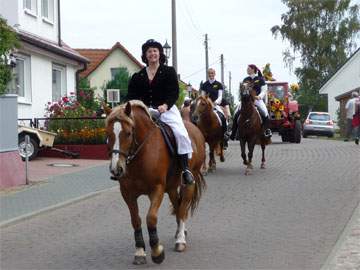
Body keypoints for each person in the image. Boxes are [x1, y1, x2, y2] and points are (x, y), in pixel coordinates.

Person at [126, 39, 194, 185]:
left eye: (155, 51)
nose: (152, 54)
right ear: (145, 55)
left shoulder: (168, 72)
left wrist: (166, 105)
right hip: (144, 112)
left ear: (159, 53)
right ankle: (123, 166)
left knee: (181, 133)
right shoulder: (138, 76)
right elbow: (130, 96)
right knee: (126, 132)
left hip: (166, 110)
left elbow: (174, 92)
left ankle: (185, 170)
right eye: (149, 51)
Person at [230, 64, 272, 139]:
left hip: (257, 100)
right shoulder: (245, 79)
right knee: (236, 113)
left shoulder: (260, 79)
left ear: (253, 69)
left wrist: (259, 97)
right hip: (247, 101)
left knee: (265, 113)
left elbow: (264, 90)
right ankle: (234, 132)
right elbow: (243, 90)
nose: (247, 70)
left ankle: (266, 130)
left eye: (248, 68)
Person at [200, 68, 229, 146]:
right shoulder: (204, 84)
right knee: (199, 117)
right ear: (208, 74)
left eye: (212, 73)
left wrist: (215, 103)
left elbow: (220, 96)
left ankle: (225, 134)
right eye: (209, 73)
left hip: (216, 105)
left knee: (222, 117)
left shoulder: (219, 84)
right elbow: (203, 96)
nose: (211, 75)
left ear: (214, 74)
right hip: (206, 106)